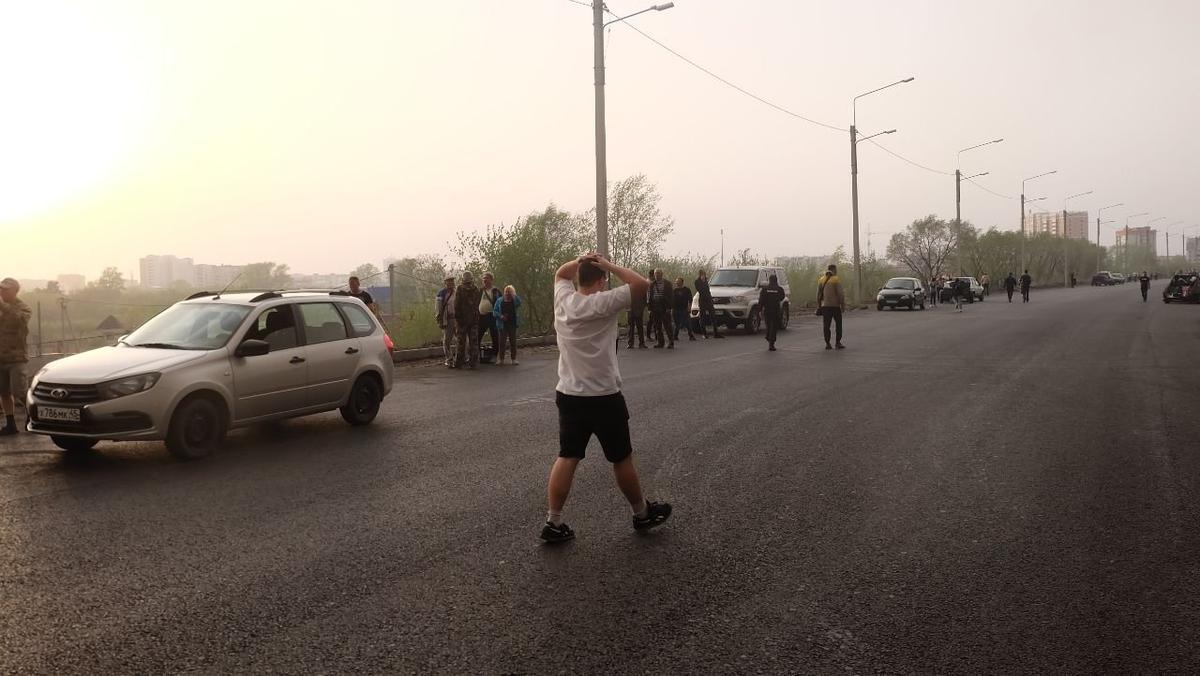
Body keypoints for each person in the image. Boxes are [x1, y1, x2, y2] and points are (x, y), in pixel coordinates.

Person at [541, 254, 671, 543]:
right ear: (601, 281)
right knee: (621, 457)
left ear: (579, 278)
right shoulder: (604, 302)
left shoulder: (564, 300)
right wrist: (609, 265)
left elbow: (560, 274)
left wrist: (580, 260)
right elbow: (642, 284)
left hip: (569, 393)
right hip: (603, 396)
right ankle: (641, 513)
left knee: (568, 455)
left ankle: (553, 521)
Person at [0, 278, 31, 436]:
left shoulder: (23, 307)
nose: (2, 291)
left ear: (15, 291)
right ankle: (10, 424)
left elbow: (18, 320)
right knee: (3, 392)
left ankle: (33, 418)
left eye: (5, 289)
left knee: (20, 392)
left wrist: (3, 306)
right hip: (1, 358)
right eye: (1, 288)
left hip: (17, 358)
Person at [453, 271, 483, 369]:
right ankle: (473, 363)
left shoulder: (460, 289)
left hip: (462, 320)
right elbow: (477, 303)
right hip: (473, 319)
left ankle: (459, 362)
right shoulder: (476, 289)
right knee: (473, 342)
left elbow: (456, 305)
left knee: (461, 342)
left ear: (463, 279)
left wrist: (457, 318)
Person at [817, 265, 846, 350]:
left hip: (825, 306)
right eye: (836, 270)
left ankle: (827, 343)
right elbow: (840, 294)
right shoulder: (836, 279)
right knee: (838, 324)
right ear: (833, 270)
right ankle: (838, 342)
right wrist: (842, 305)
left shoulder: (821, 279)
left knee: (826, 325)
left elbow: (818, 294)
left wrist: (819, 305)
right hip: (835, 306)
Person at [493, 285, 522, 364]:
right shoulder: (499, 300)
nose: (507, 293)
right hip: (502, 324)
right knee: (502, 342)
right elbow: (494, 311)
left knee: (513, 342)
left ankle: (513, 359)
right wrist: (501, 316)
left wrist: (514, 295)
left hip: (512, 323)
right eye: (506, 291)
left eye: (509, 292)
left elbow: (520, 302)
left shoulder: (514, 300)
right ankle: (501, 359)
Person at [477, 272, 502, 363]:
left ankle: (495, 356)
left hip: (492, 316)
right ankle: (477, 355)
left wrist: (500, 315)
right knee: (477, 336)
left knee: (494, 336)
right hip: (481, 316)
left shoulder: (496, 291)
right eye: (483, 278)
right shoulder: (480, 290)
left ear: (491, 280)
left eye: (487, 278)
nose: (485, 280)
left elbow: (501, 302)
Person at [647, 269, 675, 349]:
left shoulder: (667, 284)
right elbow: (649, 296)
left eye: (658, 273)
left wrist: (669, 307)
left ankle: (671, 342)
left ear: (662, 274)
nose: (657, 275)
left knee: (667, 325)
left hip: (664, 306)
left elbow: (671, 296)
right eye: (656, 274)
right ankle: (660, 342)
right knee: (657, 326)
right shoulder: (652, 284)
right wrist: (649, 308)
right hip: (655, 307)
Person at [759, 273, 786, 351]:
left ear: (769, 280)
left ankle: (768, 336)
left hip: (767, 310)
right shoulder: (779, 289)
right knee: (774, 327)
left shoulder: (764, 289)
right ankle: (771, 343)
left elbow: (761, 300)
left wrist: (759, 310)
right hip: (776, 310)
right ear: (776, 280)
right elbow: (782, 297)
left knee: (768, 325)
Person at [435, 276, 457, 367]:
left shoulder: (457, 292)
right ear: (445, 283)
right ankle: (449, 359)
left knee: (461, 339)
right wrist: (439, 320)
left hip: (457, 319)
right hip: (447, 319)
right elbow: (438, 308)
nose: (451, 283)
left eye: (452, 281)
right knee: (447, 340)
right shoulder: (441, 293)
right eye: (449, 281)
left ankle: (459, 358)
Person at [695, 269, 723, 339]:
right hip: (702, 300)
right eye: (702, 274)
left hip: (709, 300)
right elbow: (700, 290)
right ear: (700, 275)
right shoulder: (697, 282)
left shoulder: (706, 281)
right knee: (703, 317)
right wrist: (703, 281)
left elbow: (708, 290)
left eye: (704, 274)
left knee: (713, 316)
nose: (703, 276)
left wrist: (711, 298)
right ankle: (704, 333)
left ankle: (716, 333)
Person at [625, 279, 647, 349]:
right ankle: (630, 343)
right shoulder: (628, 289)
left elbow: (644, 300)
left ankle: (641, 343)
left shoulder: (641, 289)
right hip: (631, 310)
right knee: (631, 328)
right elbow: (625, 299)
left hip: (638, 310)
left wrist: (642, 308)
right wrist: (627, 308)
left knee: (639, 327)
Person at [672, 276, 695, 342]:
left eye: (678, 282)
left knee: (688, 323)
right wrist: (671, 309)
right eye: (676, 282)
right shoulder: (674, 291)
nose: (677, 283)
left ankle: (691, 336)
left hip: (684, 309)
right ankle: (675, 336)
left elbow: (690, 299)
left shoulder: (686, 290)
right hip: (676, 309)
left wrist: (689, 307)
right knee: (677, 324)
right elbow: (672, 301)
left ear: (682, 282)